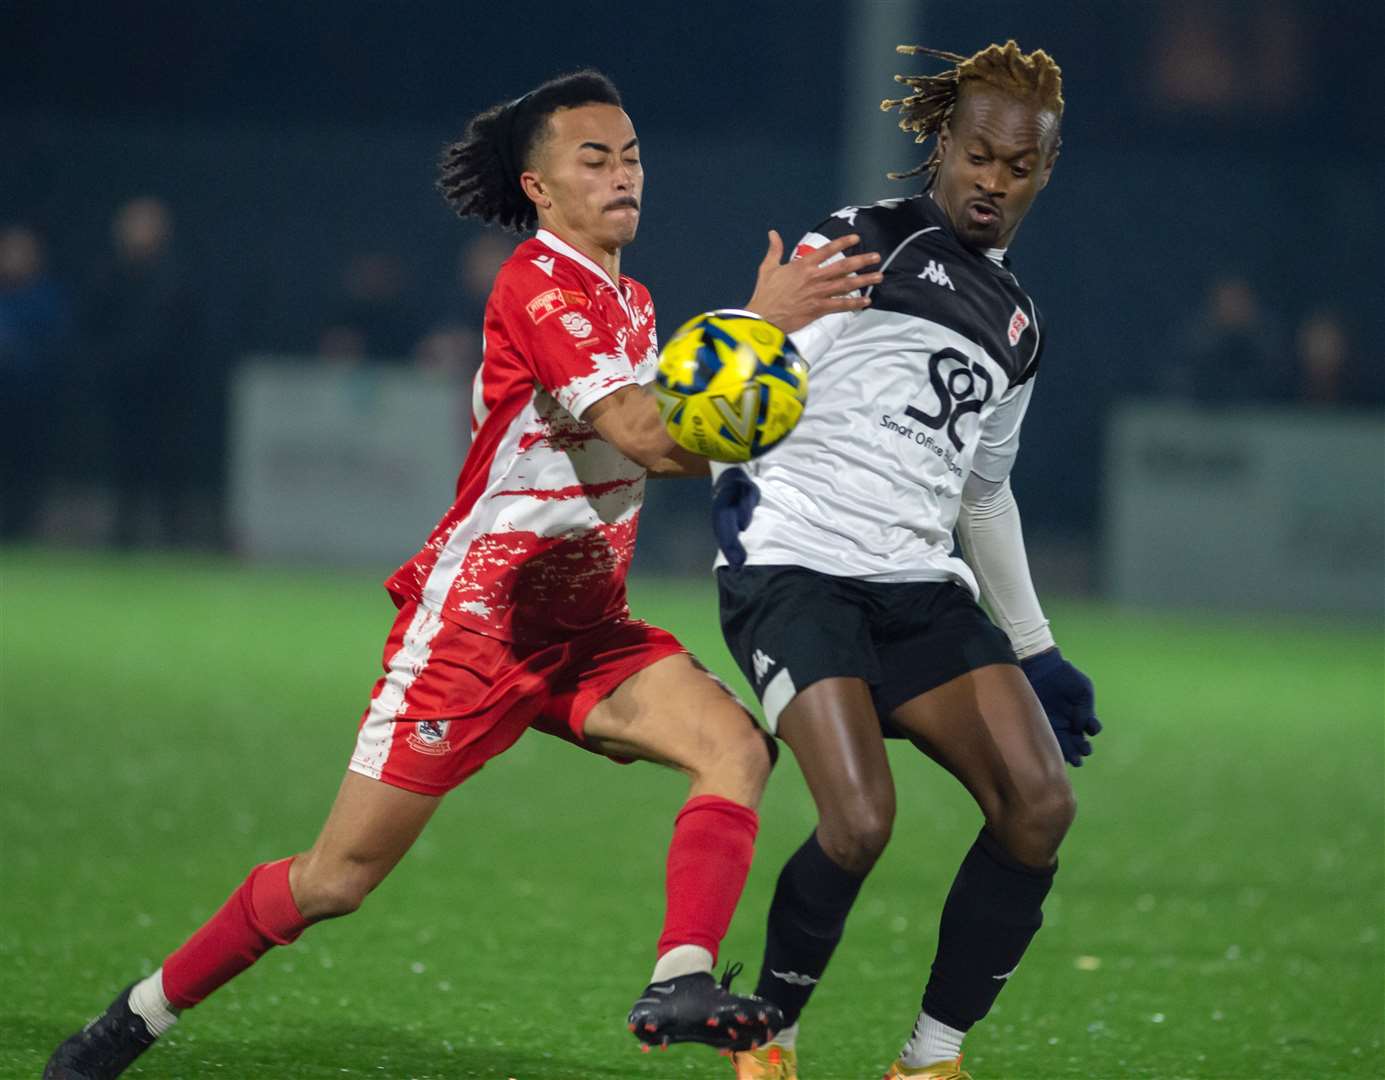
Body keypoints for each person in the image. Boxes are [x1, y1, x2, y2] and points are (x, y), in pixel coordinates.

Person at [44, 69, 882, 1080]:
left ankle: (679, 978)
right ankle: (134, 1018)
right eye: (594, 159)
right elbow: (641, 431)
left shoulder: (633, 298)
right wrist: (760, 327)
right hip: (476, 628)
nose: (624, 176)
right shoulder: (536, 282)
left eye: (631, 156)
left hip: (582, 629)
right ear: (539, 187)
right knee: (336, 880)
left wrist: (784, 419)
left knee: (735, 750)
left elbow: (681, 445)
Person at [712, 43, 1100, 1080]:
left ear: (1043, 171)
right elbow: (732, 395)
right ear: (941, 146)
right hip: (792, 567)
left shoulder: (1018, 327)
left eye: (1016, 166)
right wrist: (757, 322)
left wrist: (1036, 650)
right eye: (976, 154)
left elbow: (980, 493)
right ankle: (768, 1039)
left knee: (1039, 805)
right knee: (857, 819)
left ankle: (929, 1060)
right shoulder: (854, 241)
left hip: (917, 589)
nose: (991, 180)